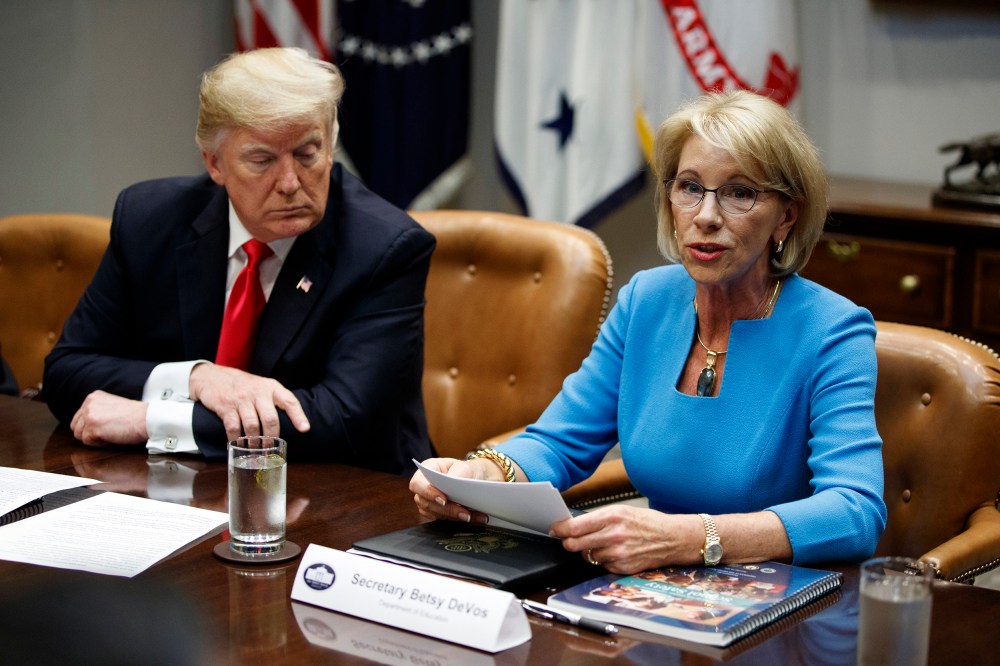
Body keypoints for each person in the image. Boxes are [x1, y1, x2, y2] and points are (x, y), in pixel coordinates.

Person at [410, 90, 886, 572]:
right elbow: (559, 441)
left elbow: (855, 512)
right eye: (690, 187)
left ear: (787, 215)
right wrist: (478, 475)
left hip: (775, 602)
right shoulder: (646, 301)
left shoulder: (833, 332)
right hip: (649, 588)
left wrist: (692, 537)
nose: (705, 216)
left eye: (740, 193)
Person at [43, 47, 435, 474]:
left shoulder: (384, 247)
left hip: (347, 496)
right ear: (214, 163)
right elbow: (67, 370)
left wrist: (153, 420)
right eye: (262, 160)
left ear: (331, 142)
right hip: (182, 488)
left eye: (307, 153)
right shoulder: (149, 219)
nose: (289, 183)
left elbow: (343, 419)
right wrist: (196, 379)